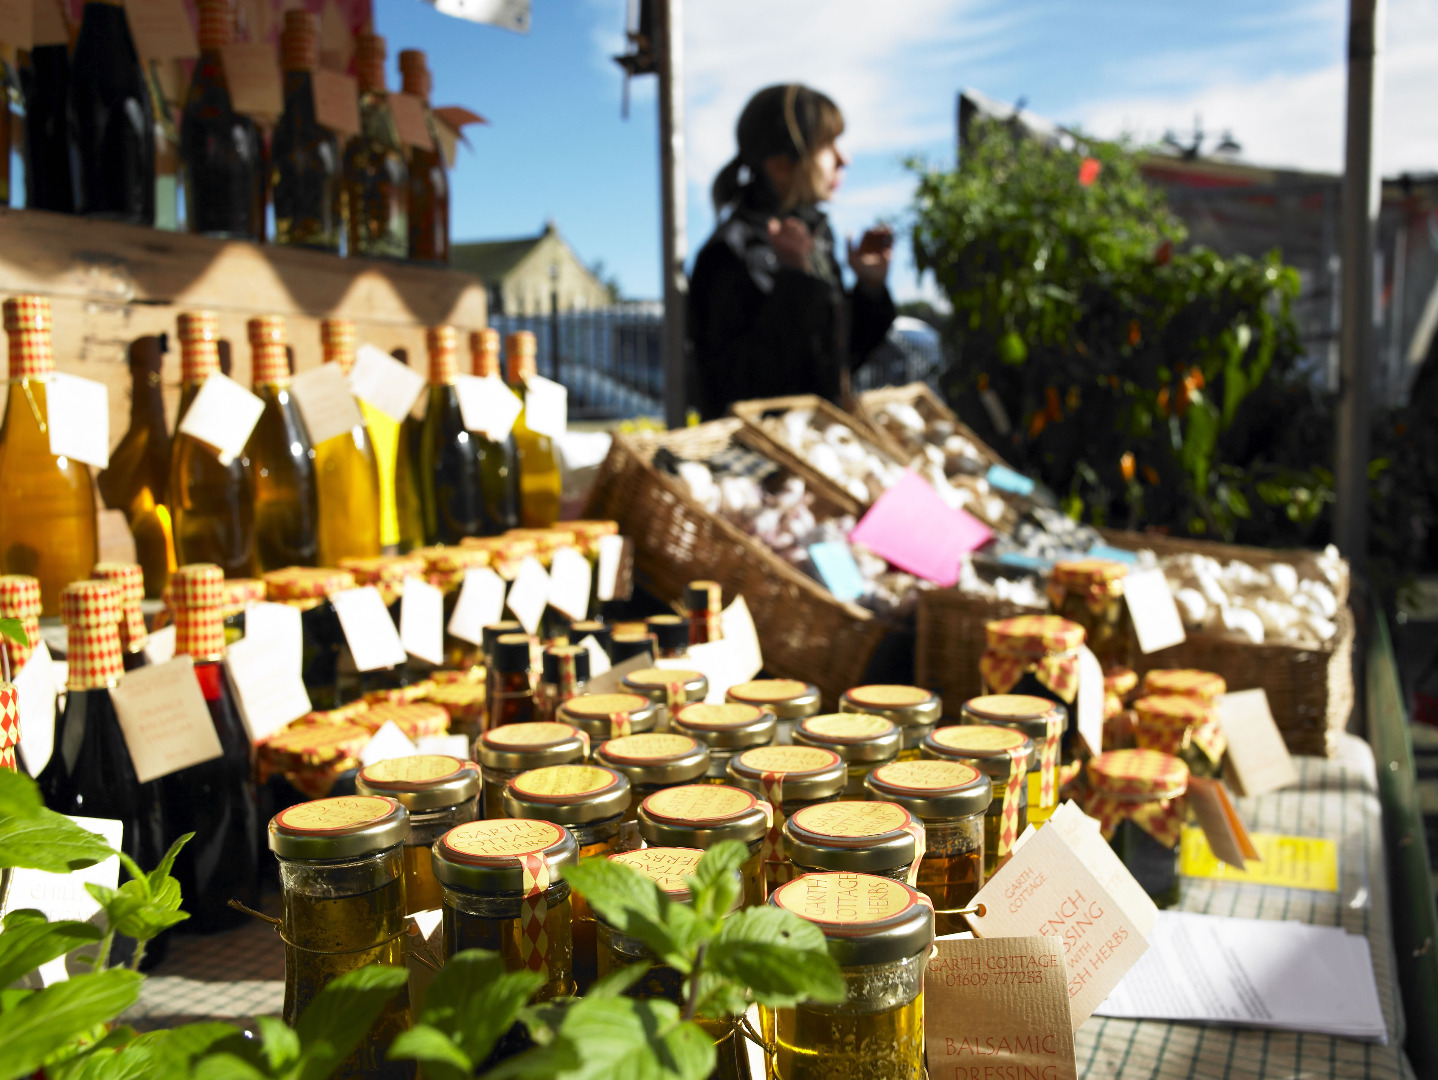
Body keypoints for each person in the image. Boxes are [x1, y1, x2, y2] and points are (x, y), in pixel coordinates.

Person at [689, 83, 896, 420]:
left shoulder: (814, 239)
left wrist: (870, 289)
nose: (845, 159)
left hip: (815, 447)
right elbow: (736, 390)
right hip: (760, 463)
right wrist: (795, 280)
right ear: (780, 166)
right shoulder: (730, 251)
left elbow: (835, 364)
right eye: (827, 145)